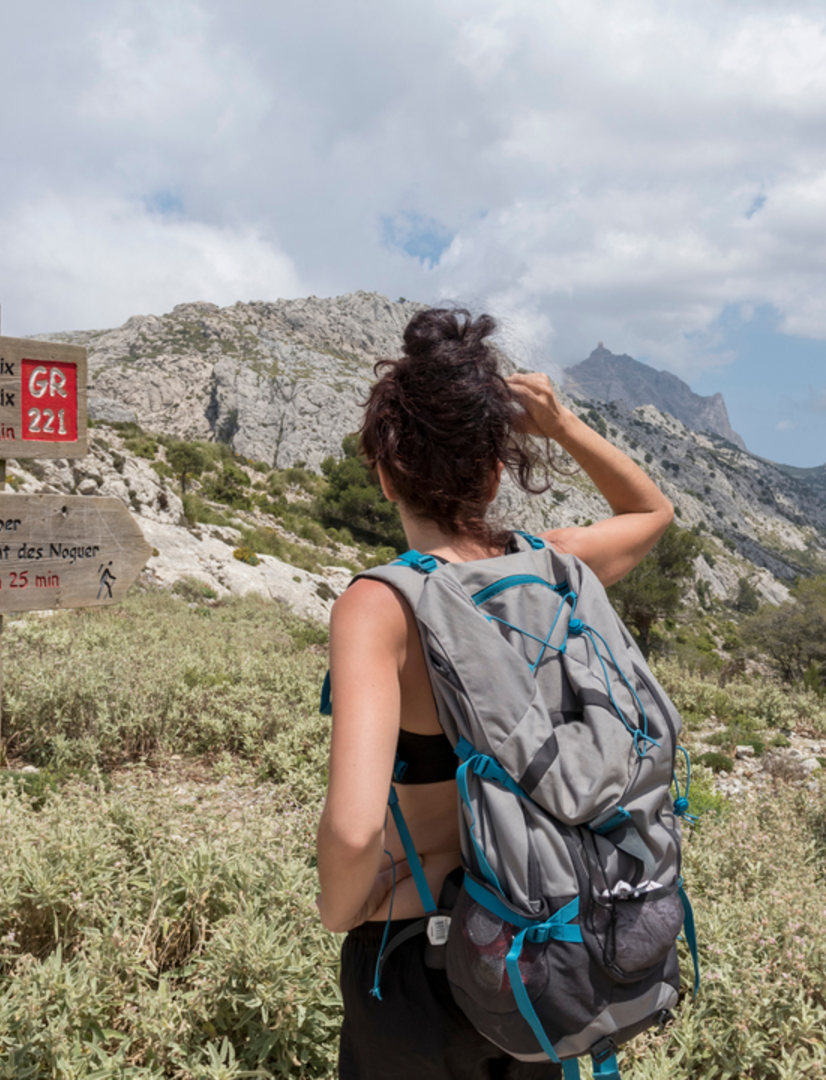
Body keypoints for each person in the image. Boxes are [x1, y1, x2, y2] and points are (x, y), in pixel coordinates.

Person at [315, 307, 673, 1079]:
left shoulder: (383, 606)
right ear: (497, 471)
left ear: (385, 474)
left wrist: (340, 914)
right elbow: (652, 511)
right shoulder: (559, 567)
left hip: (418, 955)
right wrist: (562, 425)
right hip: (546, 958)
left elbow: (352, 830)